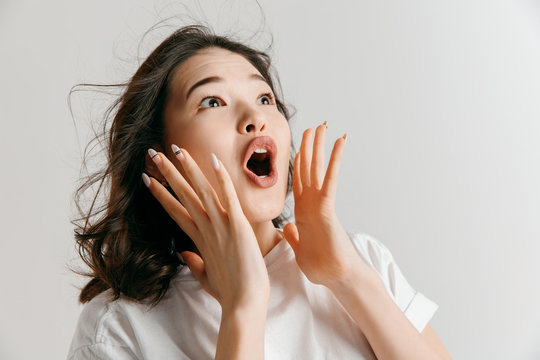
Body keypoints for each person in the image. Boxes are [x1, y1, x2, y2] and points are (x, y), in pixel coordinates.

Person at [67, 24, 452, 359]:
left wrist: (349, 278)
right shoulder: (117, 327)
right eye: (212, 101)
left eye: (264, 98)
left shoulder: (363, 260)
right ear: (157, 160)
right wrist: (243, 308)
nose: (255, 118)